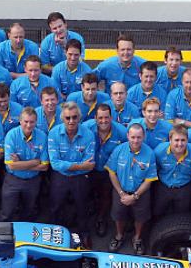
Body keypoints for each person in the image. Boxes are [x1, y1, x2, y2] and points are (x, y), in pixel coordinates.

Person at [47, 102, 96, 248]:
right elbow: (55, 164)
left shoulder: (88, 134)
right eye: (68, 118)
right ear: (62, 118)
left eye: (75, 117)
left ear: (80, 118)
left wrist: (70, 166)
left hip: (80, 178)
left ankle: (84, 234)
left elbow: (90, 165)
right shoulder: (54, 133)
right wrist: (80, 166)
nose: (71, 121)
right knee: (55, 207)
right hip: (60, 177)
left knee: (82, 207)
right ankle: (52, 234)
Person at [106, 124, 158, 255]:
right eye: (133, 137)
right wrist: (121, 193)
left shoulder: (150, 154)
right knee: (119, 215)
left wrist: (135, 196)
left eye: (139, 137)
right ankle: (119, 236)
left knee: (140, 217)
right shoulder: (118, 150)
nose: (135, 140)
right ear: (128, 136)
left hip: (141, 193)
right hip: (120, 192)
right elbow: (112, 173)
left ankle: (137, 238)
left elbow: (149, 179)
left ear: (143, 137)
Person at [83, 104, 127, 237]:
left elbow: (128, 149)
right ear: (95, 118)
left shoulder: (122, 132)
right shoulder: (86, 128)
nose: (103, 121)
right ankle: (86, 212)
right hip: (89, 168)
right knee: (84, 192)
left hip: (109, 171)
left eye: (106, 117)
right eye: (100, 118)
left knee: (106, 194)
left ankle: (101, 218)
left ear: (111, 117)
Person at [0, 106, 49, 222]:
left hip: (33, 181)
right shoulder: (11, 135)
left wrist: (19, 163)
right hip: (13, 180)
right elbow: (11, 166)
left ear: (36, 122)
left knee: (28, 212)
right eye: (26, 121)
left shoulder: (42, 136)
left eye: (32, 122)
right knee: (7, 212)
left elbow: (45, 166)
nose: (28, 125)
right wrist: (35, 162)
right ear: (20, 121)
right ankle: (1, 239)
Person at [153, 124, 191, 217]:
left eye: (183, 140)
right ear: (170, 140)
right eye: (176, 140)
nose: (180, 144)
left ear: (187, 140)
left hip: (184, 188)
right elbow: (155, 170)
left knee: (182, 215)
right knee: (157, 213)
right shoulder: (159, 151)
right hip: (163, 187)